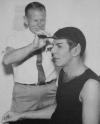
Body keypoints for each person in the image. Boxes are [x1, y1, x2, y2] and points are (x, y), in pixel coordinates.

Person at [2, 2, 57, 124]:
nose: (39, 24)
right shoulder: (14, 38)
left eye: (42, 20)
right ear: (25, 20)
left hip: (50, 90)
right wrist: (33, 46)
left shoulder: (51, 37)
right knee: (20, 121)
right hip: (25, 93)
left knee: (53, 119)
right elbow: (7, 60)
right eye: (35, 20)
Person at [50, 27, 100, 124]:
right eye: (53, 46)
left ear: (76, 50)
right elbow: (60, 111)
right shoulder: (63, 72)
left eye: (59, 46)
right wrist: (22, 114)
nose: (52, 51)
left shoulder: (91, 85)